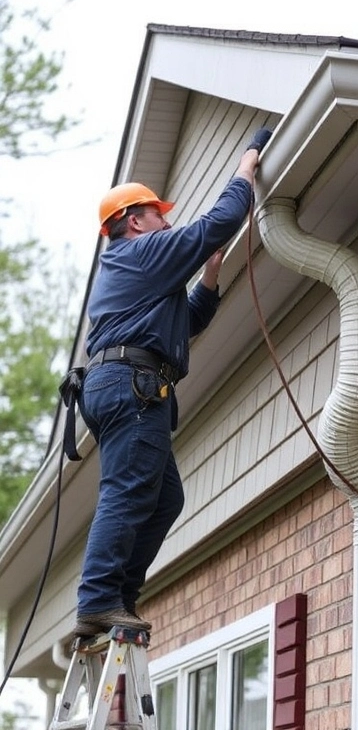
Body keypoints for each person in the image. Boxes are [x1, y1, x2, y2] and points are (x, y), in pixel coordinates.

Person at [74, 128, 272, 637]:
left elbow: (189, 324)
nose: (168, 220)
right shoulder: (140, 254)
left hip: (129, 383)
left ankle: (116, 599)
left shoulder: (139, 271)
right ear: (135, 221)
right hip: (132, 385)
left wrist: (209, 272)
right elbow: (223, 218)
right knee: (129, 490)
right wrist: (247, 160)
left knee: (163, 499)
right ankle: (99, 599)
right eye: (159, 213)